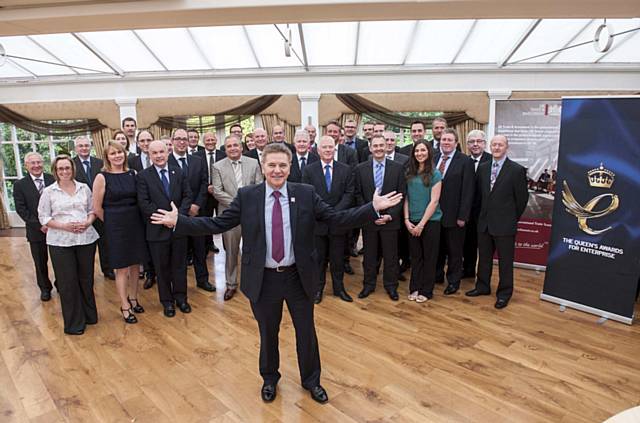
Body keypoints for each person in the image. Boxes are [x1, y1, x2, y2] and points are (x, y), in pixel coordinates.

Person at [150, 142, 402, 404]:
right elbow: (217, 223)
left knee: (306, 332)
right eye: (272, 165)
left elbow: (336, 218)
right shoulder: (248, 196)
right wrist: (179, 220)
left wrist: (371, 208)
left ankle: (311, 380)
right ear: (263, 166)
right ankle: (270, 378)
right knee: (268, 333)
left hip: (298, 276)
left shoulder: (305, 193)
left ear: (290, 167)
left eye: (283, 165)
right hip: (263, 278)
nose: (277, 170)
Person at [38, 155, 99, 335]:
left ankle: (89, 315)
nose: (64, 171)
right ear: (55, 171)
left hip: (85, 239)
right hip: (60, 242)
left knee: (86, 279)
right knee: (67, 282)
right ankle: (74, 323)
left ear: (73, 169)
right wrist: (64, 226)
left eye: (67, 168)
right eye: (60, 169)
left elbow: (92, 210)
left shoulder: (84, 188)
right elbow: (43, 217)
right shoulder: (49, 192)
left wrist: (88, 222)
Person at [466, 135, 529, 309]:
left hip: (505, 224)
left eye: (500, 145)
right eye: (494, 145)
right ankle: (482, 286)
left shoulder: (516, 170)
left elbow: (522, 199)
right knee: (484, 258)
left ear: (506, 147)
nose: (496, 148)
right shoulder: (484, 168)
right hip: (484, 223)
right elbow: (479, 197)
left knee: (505, 261)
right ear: (490, 147)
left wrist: (510, 218)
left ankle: (504, 293)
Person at [93, 141, 149, 324]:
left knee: (135, 265)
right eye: (113, 153)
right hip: (115, 226)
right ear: (107, 157)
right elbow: (97, 208)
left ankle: (133, 298)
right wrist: (112, 223)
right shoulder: (102, 177)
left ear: (124, 154)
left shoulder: (133, 173)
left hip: (135, 223)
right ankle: (124, 305)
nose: (117, 156)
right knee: (122, 267)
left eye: (120, 152)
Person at [137, 139, 193, 317]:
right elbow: (144, 204)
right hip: (157, 230)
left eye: (162, 152)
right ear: (149, 155)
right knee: (162, 269)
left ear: (167, 152)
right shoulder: (143, 176)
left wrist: (177, 218)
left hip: (179, 229)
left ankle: (181, 298)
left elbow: (187, 196)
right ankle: (167, 302)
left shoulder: (179, 172)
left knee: (179, 266)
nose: (159, 156)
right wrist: (166, 219)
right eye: (154, 153)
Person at [354, 135, 407, 301]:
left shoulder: (398, 168)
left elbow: (401, 195)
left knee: (391, 256)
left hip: (390, 221)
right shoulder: (360, 168)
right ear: (370, 148)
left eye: (381, 145)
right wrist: (371, 213)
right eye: (374, 146)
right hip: (370, 220)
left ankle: (391, 286)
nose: (378, 148)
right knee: (369, 256)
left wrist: (389, 216)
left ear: (387, 147)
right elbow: (358, 195)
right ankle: (368, 285)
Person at [302, 136, 354, 303]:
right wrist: (325, 212)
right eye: (324, 147)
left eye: (330, 147)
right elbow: (308, 194)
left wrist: (334, 212)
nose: (327, 150)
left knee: (338, 259)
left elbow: (349, 194)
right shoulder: (309, 170)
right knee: (319, 260)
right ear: (318, 150)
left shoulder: (345, 169)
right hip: (318, 223)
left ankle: (339, 289)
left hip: (338, 222)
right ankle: (318, 290)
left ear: (335, 149)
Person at [211, 135, 263, 301]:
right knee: (231, 252)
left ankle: (253, 283)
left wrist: (247, 203)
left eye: (235, 145)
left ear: (241, 147)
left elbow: (259, 184)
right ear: (225, 150)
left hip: (252, 213)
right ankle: (231, 284)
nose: (233, 148)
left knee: (253, 250)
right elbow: (217, 191)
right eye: (229, 146)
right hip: (229, 214)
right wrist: (240, 203)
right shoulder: (217, 166)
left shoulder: (253, 163)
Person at [168, 129, 214, 292]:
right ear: (172, 141)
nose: (182, 142)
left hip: (197, 213)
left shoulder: (198, 160)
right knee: (179, 254)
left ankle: (203, 280)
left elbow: (203, 184)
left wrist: (196, 205)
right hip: (176, 214)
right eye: (178, 139)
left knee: (200, 249)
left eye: (184, 139)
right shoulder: (166, 161)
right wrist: (182, 211)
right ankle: (180, 287)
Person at [434, 128, 474, 295]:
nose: (446, 143)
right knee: (437, 248)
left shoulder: (465, 161)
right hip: (434, 214)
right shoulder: (434, 158)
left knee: (454, 252)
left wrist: (463, 216)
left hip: (455, 216)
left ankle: (453, 281)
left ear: (456, 143)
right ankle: (437, 275)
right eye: (444, 140)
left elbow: (468, 191)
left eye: (450, 140)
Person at [404, 140, 442, 302]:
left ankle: (426, 290)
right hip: (411, 221)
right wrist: (406, 220)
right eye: (417, 151)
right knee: (416, 257)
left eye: (423, 150)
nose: (420, 153)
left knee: (429, 257)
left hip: (430, 222)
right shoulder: (408, 173)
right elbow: (405, 197)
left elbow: (434, 201)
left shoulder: (435, 174)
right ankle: (414, 288)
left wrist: (421, 224)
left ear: (429, 152)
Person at [13, 152, 55, 301]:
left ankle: (61, 284)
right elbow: (21, 209)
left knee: (60, 260)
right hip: (36, 231)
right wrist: (40, 225)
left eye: (39, 162)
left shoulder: (53, 179)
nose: (36, 165)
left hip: (56, 229)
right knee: (40, 262)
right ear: (26, 165)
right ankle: (45, 288)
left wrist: (52, 223)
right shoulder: (20, 185)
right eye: (32, 163)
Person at [72, 136, 114, 280]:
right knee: (85, 245)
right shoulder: (71, 165)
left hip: (101, 208)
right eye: (80, 146)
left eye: (86, 145)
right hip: (81, 212)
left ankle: (107, 269)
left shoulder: (100, 163)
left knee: (105, 242)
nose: (84, 148)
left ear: (91, 146)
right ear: (76, 148)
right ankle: (85, 273)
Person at [128, 129, 157, 289]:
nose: (146, 144)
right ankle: (149, 274)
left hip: (160, 208)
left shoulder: (161, 157)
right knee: (145, 242)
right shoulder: (132, 162)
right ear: (138, 143)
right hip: (141, 209)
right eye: (142, 141)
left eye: (148, 140)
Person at [463, 129, 491, 279]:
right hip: (468, 212)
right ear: (467, 145)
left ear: (484, 144)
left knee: (485, 248)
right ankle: (468, 271)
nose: (475, 144)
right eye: (472, 142)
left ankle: (483, 279)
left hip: (485, 213)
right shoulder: (464, 161)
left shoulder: (492, 161)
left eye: (478, 141)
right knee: (468, 243)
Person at [194, 131, 226, 254]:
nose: (210, 142)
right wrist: (207, 186)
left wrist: (217, 187)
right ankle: (208, 244)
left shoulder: (223, 155)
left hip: (221, 194)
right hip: (204, 194)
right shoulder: (197, 156)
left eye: (212, 139)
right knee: (206, 220)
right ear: (203, 142)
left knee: (223, 219)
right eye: (207, 140)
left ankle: (226, 245)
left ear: (216, 141)